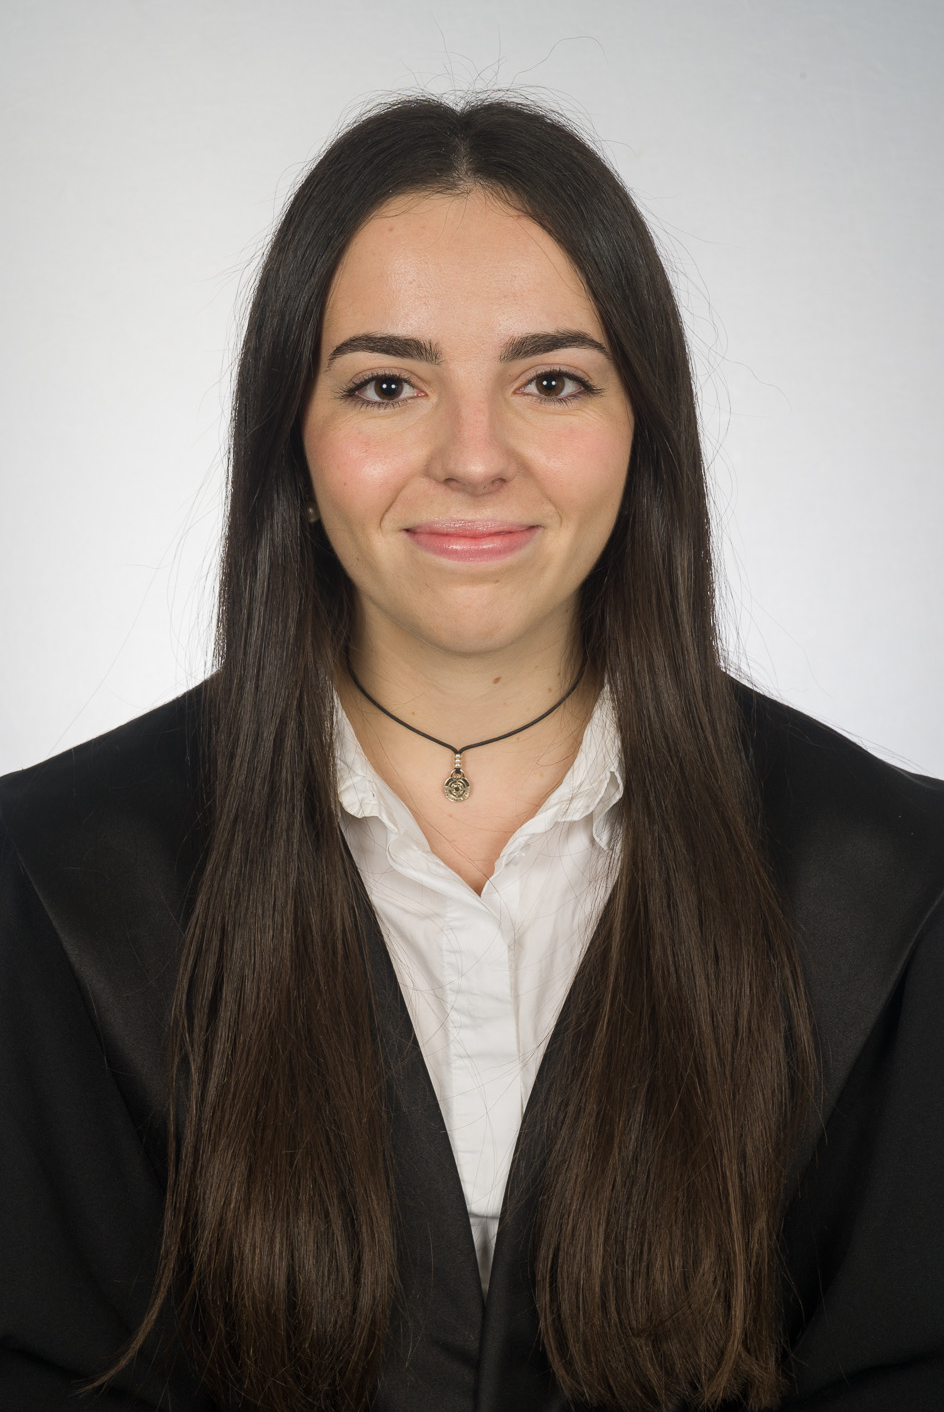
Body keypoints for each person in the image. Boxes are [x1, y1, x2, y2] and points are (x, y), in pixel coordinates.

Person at [1, 93, 942, 1412]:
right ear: (292, 440)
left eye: (551, 380)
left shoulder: (887, 881)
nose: (475, 457)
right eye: (388, 384)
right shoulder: (56, 883)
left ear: (642, 428)